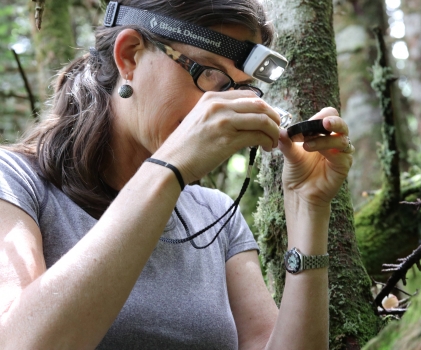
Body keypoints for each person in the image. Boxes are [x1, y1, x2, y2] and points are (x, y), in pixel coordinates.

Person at [0, 0, 354, 349]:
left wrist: (309, 208)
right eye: (209, 74)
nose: (221, 105)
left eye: (238, 89)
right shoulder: (15, 181)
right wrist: (171, 167)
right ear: (130, 55)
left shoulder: (213, 214)